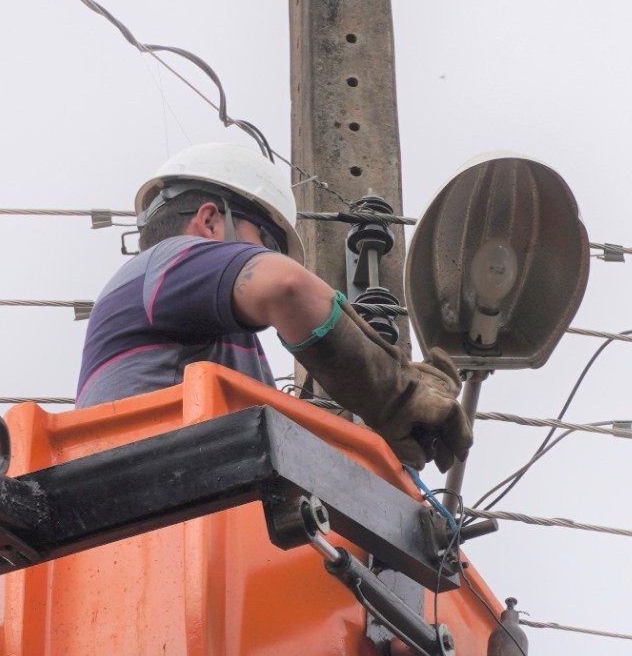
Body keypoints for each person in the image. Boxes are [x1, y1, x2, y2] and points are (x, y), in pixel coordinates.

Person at [76, 143, 472, 471]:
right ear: (211, 222)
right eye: (266, 243)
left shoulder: (193, 325)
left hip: (168, 501)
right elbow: (288, 286)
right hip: (161, 500)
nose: (269, 258)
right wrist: (396, 396)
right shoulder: (169, 260)